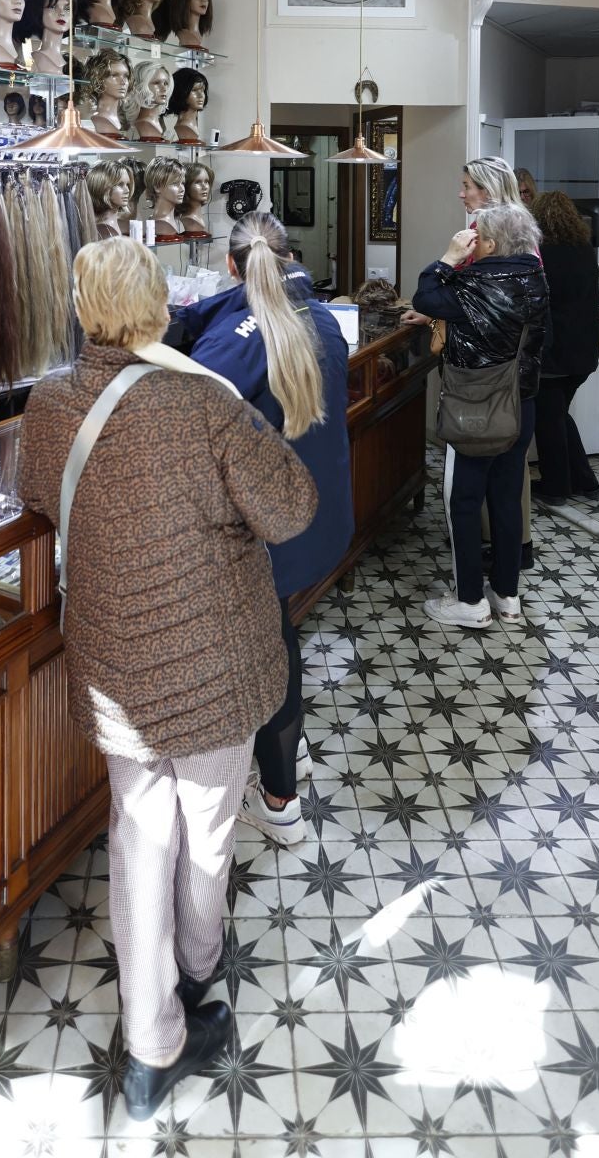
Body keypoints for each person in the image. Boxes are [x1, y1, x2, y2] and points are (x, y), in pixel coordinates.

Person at [15, 237, 316, 1120]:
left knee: (137, 835)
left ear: (81, 309)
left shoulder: (50, 401)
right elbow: (291, 507)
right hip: (211, 664)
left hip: (116, 663)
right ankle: (198, 970)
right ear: (158, 309)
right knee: (207, 833)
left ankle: (149, 1049)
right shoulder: (202, 403)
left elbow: (40, 492)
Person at [174, 212, 351, 848]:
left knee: (268, 653)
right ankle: (291, 750)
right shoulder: (318, 315)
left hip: (267, 526)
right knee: (279, 637)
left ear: (231, 265)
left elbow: (190, 418)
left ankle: (279, 799)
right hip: (315, 514)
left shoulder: (238, 343)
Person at [413, 203, 549, 630]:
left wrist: (450, 259)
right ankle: (507, 596)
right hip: (520, 402)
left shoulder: (473, 281)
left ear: (489, 243)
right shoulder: (537, 278)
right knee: (507, 499)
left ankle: (470, 600)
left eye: (477, 236)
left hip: (474, 405)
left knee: (465, 502)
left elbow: (426, 297)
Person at [532, 191, 599, 506]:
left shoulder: (542, 255)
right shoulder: (585, 250)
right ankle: (585, 482)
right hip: (583, 350)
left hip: (553, 350)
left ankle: (556, 487)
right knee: (558, 414)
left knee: (548, 419)